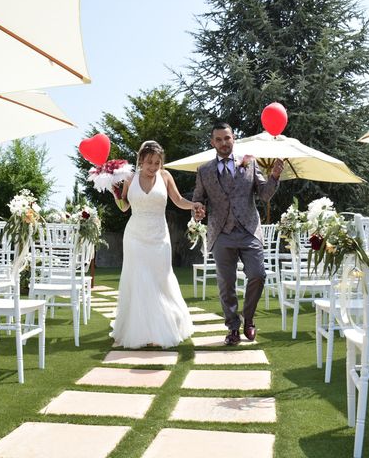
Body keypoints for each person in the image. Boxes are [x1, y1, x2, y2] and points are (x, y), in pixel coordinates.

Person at [192, 122, 284, 345]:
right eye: (219, 139)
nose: (224, 143)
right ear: (213, 142)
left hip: (249, 229)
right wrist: (198, 210)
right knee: (226, 284)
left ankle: (249, 319)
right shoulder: (204, 171)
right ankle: (233, 327)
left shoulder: (249, 162)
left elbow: (264, 195)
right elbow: (198, 199)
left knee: (258, 275)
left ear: (234, 138)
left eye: (227, 138)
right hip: (221, 232)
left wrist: (274, 177)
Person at [110, 140, 199, 349]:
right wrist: (115, 195)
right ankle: (140, 331)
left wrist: (193, 205)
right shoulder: (129, 178)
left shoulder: (165, 177)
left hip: (159, 238)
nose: (153, 167)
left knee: (160, 280)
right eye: (149, 162)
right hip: (134, 237)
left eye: (157, 163)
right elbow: (124, 207)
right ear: (141, 160)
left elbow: (178, 200)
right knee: (139, 280)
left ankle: (165, 326)